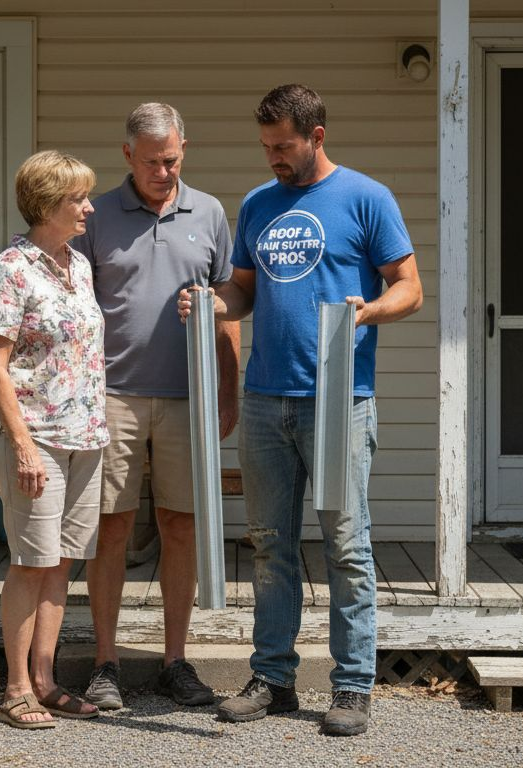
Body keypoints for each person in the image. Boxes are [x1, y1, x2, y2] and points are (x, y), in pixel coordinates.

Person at [179, 84, 423, 737]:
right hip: (265, 400)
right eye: (265, 146)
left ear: (316, 135)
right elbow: (244, 292)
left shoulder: (366, 198)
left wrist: (367, 311)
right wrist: (209, 304)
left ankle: (350, 688)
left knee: (346, 545)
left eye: (282, 146)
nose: (272, 158)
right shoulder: (259, 204)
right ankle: (274, 679)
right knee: (270, 547)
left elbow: (410, 288)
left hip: (340, 398)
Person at [71, 103, 240, 710]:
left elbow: (227, 310)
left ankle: (175, 660)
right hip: (110, 396)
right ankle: (106, 663)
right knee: (110, 527)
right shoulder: (97, 217)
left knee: (181, 524)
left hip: (186, 397)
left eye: (171, 160)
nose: (163, 172)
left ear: (183, 150)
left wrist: (228, 389)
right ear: (127, 157)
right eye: (151, 162)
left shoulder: (212, 213)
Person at [0, 150, 108, 729]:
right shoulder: (10, 269)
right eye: (77, 198)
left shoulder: (77, 265)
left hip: (86, 436)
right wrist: (24, 446)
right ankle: (13, 691)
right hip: (37, 439)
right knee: (31, 563)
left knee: (61, 562)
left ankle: (45, 681)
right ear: (45, 203)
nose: (88, 206)